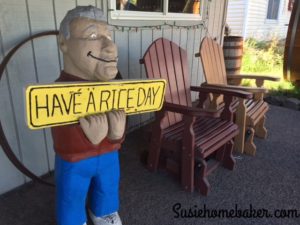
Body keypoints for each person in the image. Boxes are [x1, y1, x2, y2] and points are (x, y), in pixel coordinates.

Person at [51, 6, 126, 225]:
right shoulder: (57, 93)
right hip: (75, 161)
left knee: (109, 185)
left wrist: (117, 134)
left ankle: (104, 212)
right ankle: (73, 220)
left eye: (109, 36)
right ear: (64, 43)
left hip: (109, 157)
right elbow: (61, 135)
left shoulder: (114, 89)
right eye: (92, 36)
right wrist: (85, 138)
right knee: (71, 194)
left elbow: (119, 120)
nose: (111, 47)